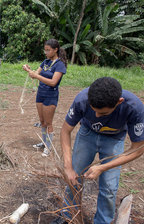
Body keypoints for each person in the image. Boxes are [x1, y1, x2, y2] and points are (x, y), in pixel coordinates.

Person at [60, 77, 144, 224]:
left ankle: (102, 221)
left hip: (114, 138)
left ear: (119, 102)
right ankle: (68, 216)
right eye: (94, 111)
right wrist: (68, 167)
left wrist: (103, 167)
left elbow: (138, 149)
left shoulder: (134, 108)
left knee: (109, 188)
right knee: (73, 178)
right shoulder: (82, 99)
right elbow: (65, 131)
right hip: (87, 134)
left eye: (103, 114)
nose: (97, 117)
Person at [22, 39, 67, 156]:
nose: (46, 52)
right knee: (42, 122)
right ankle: (43, 142)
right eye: (45, 50)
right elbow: (35, 75)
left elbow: (53, 82)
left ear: (55, 50)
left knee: (48, 123)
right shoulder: (45, 62)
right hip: (40, 94)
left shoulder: (60, 65)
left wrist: (37, 76)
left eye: (48, 50)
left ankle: (48, 146)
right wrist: (28, 69)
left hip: (50, 95)